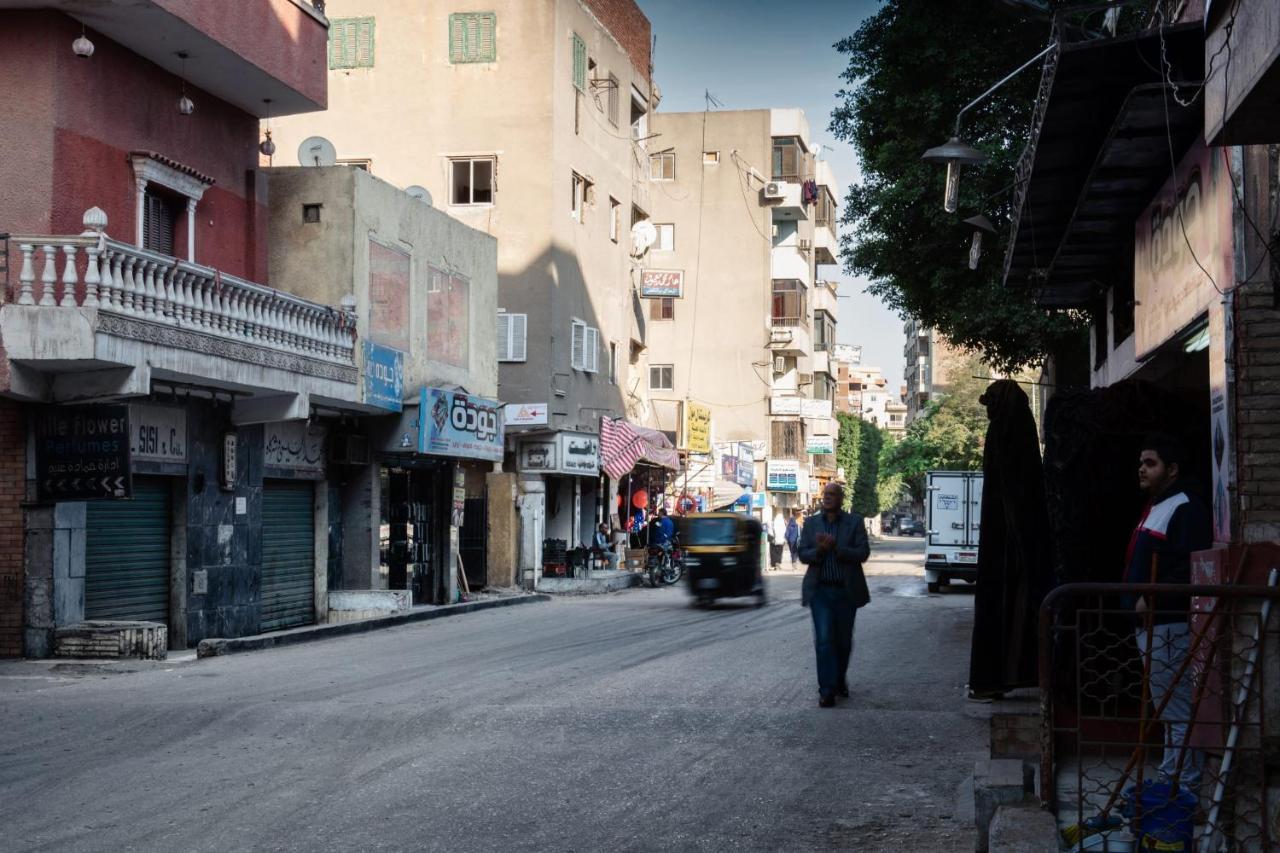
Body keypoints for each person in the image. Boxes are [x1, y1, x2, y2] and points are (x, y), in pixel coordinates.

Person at [1124, 434, 1211, 788]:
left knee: (1176, 709)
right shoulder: (1159, 505)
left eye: (1151, 463)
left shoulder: (1185, 507)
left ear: (1172, 469)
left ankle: (1181, 782)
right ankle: (1172, 775)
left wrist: (1153, 597)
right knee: (1167, 707)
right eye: (1141, 463)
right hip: (1151, 625)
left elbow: (1188, 565)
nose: (1142, 469)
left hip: (1168, 624)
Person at [797, 482, 871, 708]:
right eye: (825, 494)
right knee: (824, 640)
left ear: (841, 498)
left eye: (832, 494)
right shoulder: (811, 524)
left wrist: (837, 547)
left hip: (846, 591)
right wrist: (819, 550)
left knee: (843, 642)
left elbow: (863, 552)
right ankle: (826, 690)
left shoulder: (854, 523)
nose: (827, 498)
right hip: (820, 591)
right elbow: (802, 553)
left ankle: (839, 679)